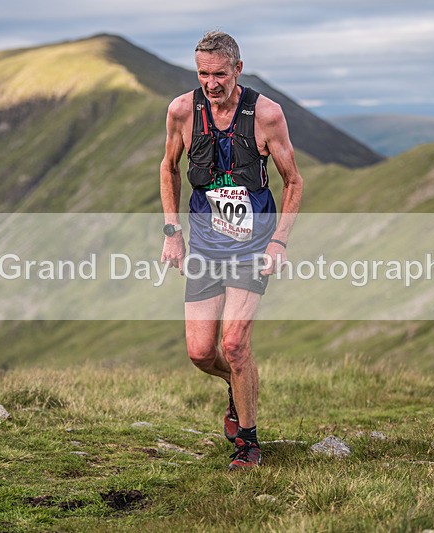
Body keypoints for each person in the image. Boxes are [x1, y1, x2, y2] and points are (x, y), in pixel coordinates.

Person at [160, 31, 303, 470]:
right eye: (203, 73)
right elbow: (168, 168)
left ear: (238, 69)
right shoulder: (183, 111)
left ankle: (248, 442)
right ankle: (236, 385)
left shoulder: (266, 114)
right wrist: (172, 230)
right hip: (204, 243)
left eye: (219, 73)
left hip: (252, 246)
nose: (211, 82)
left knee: (236, 344)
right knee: (202, 353)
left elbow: (294, 182)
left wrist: (279, 241)